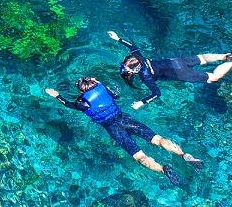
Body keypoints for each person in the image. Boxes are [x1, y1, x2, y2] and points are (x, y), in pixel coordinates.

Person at [45, 77, 202, 186]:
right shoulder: (104, 90)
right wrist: (100, 84)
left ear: (82, 91)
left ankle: (163, 170)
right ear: (95, 84)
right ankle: (184, 155)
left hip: (113, 129)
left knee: (140, 157)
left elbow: (69, 104)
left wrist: (57, 95)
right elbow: (116, 94)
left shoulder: (82, 103)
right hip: (125, 119)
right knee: (158, 139)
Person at [109, 30, 232, 110]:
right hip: (176, 61)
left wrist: (142, 102)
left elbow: (157, 93)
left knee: (213, 77)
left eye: (126, 68)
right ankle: (229, 55)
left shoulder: (146, 77)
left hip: (180, 73)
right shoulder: (139, 57)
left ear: (135, 69)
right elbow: (132, 46)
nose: (124, 69)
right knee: (203, 58)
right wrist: (118, 38)